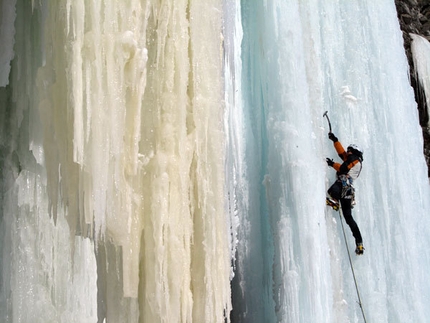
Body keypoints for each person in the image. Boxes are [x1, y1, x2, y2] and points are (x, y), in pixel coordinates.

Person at [326, 132, 364, 255]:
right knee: (348, 218)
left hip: (343, 186)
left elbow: (342, 168)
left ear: (354, 152)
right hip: (348, 192)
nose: (347, 152)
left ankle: (335, 202)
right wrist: (335, 140)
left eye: (350, 150)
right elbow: (341, 153)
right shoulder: (354, 160)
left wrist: (332, 164)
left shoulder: (354, 160)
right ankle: (359, 243)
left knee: (332, 191)